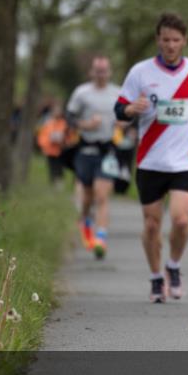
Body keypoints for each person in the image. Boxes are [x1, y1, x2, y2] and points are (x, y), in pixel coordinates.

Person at [114, 13, 188, 303]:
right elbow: (119, 109)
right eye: (166, 39)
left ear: (184, 41)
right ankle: (156, 278)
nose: (170, 45)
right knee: (152, 225)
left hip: (184, 159)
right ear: (158, 40)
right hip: (150, 160)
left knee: (181, 221)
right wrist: (133, 108)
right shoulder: (140, 72)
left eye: (176, 40)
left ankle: (174, 266)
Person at [66, 56, 122, 259]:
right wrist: (85, 125)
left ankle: (101, 238)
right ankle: (85, 221)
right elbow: (69, 117)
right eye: (97, 70)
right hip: (86, 150)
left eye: (104, 70)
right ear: (91, 72)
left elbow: (127, 117)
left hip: (107, 152)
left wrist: (124, 124)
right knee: (88, 197)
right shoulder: (82, 93)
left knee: (102, 195)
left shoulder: (117, 92)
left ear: (110, 72)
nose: (101, 74)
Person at [36, 106, 69, 188]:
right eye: (55, 112)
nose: (57, 114)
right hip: (49, 149)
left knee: (59, 166)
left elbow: (69, 136)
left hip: (61, 149)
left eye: (58, 112)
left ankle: (60, 182)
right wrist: (44, 145)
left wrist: (64, 141)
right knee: (51, 166)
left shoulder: (64, 124)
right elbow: (42, 136)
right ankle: (52, 182)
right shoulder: (48, 124)